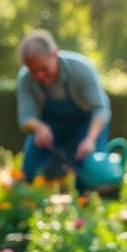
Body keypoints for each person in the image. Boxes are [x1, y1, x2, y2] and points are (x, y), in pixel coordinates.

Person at [16, 29, 111, 192]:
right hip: (50, 126)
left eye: (44, 69)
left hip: (87, 124)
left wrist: (90, 139)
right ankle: (30, 210)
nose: (39, 76)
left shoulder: (81, 69)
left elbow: (101, 109)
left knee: (88, 175)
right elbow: (25, 118)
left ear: (55, 54)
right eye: (34, 71)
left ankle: (87, 213)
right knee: (30, 171)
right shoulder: (25, 79)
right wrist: (37, 127)